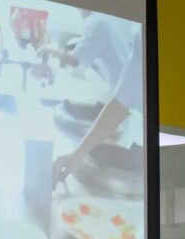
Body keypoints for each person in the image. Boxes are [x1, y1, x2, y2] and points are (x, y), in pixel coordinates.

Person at [53, 28, 142, 184]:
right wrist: (77, 155)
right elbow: (121, 103)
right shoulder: (141, 37)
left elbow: (74, 60)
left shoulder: (97, 23)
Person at [44, 9, 134, 88]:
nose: (78, 10)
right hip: (126, 77)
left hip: (123, 84)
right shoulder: (102, 19)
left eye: (79, 7)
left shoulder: (95, 24)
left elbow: (75, 61)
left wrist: (51, 51)